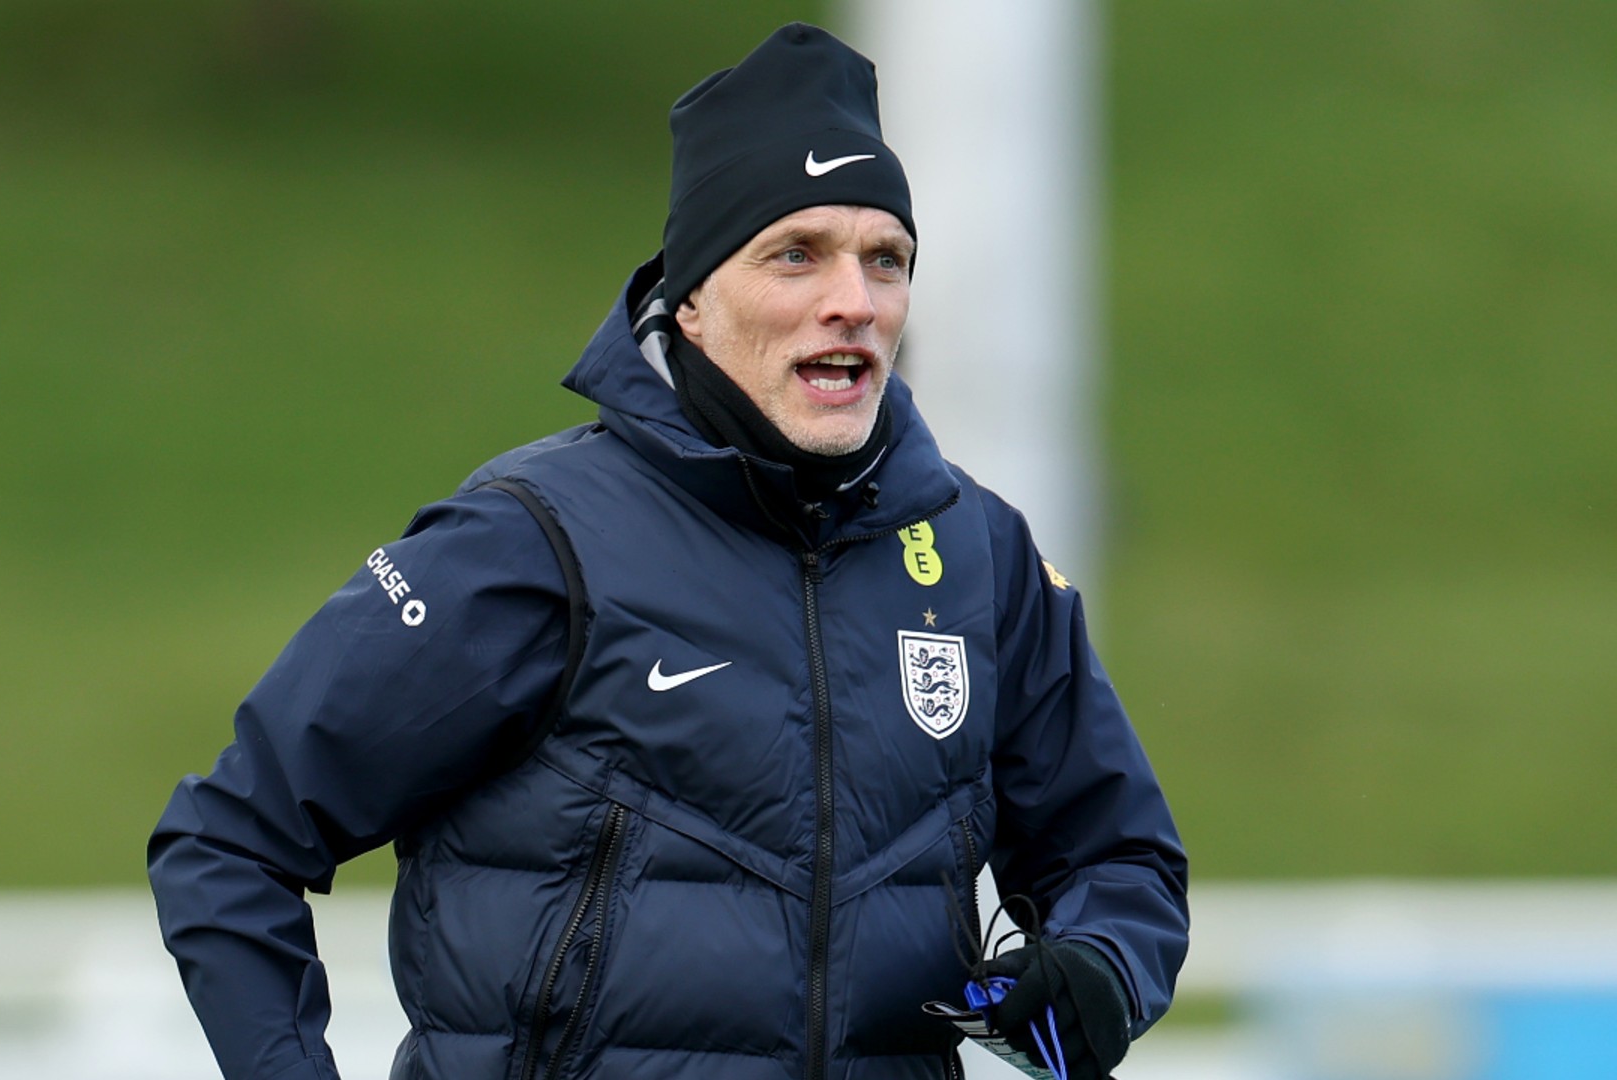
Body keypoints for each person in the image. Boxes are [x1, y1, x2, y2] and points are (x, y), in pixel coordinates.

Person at [149, 22, 1187, 1080]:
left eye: (886, 259)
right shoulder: (533, 539)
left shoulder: (982, 556)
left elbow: (1122, 859)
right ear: (690, 298)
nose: (855, 301)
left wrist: (1099, 971)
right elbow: (230, 841)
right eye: (797, 254)